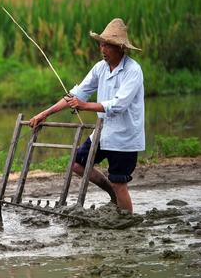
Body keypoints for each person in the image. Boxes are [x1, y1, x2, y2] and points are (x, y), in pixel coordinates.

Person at [29, 18, 144, 213]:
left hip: (124, 136)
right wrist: (45, 113)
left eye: (108, 45)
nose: (103, 49)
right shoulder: (100, 68)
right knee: (77, 164)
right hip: (103, 133)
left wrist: (84, 105)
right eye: (101, 44)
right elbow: (76, 94)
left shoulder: (133, 71)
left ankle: (128, 222)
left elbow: (119, 105)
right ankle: (111, 193)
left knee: (119, 183)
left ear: (121, 48)